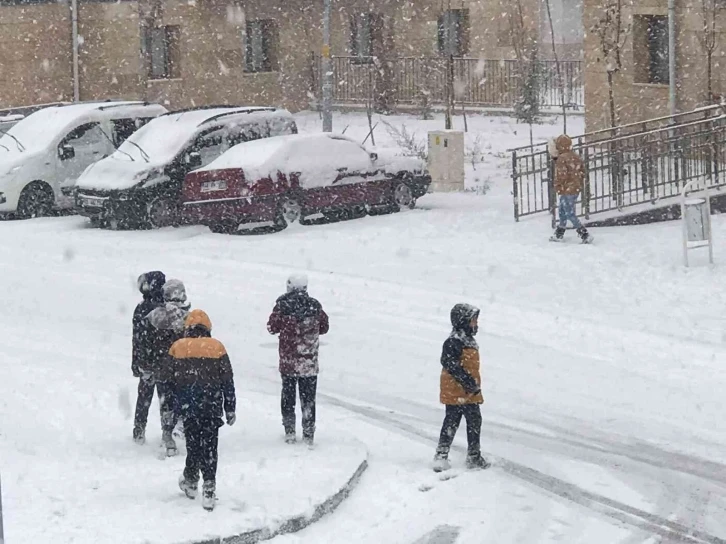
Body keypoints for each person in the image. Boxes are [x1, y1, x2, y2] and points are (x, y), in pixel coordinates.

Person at [164, 310, 236, 511]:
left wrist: (169, 407)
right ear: (208, 328)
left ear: (188, 328)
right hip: (211, 407)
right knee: (210, 447)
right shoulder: (217, 347)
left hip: (188, 407)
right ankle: (209, 488)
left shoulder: (177, 347)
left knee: (194, 445)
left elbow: (167, 381)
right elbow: (227, 381)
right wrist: (230, 408)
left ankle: (191, 479)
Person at [267, 274, 329, 446]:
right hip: (309, 362)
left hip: (289, 362)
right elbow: (325, 327)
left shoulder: (282, 306)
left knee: (288, 397)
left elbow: (271, 327)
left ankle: (290, 431)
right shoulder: (315, 306)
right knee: (308, 399)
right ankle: (308, 433)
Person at [433, 303, 489, 472]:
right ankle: (466, 456)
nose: (476, 324)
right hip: (458, 390)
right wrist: (468, 382)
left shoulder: (469, 342)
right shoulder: (454, 341)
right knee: (458, 421)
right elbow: (450, 364)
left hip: (465, 390)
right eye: (473, 320)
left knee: (466, 421)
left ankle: (448, 455)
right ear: (463, 322)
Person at [147, 279, 191, 456]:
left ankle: (167, 435)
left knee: (165, 402)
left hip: (161, 367)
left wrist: (147, 365)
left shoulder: (154, 316)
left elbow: (147, 343)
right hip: (181, 367)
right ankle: (181, 430)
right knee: (183, 399)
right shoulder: (187, 317)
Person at [132, 270, 166, 445]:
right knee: (165, 399)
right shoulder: (167, 308)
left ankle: (139, 431)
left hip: (147, 361)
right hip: (164, 362)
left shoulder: (141, 308)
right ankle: (168, 432)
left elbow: (136, 338)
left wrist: (135, 361)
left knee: (144, 398)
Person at [549, 134, 592, 244]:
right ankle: (559, 233)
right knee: (563, 210)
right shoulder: (575, 156)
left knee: (568, 212)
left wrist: (558, 186)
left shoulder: (561, 159)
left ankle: (584, 234)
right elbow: (583, 171)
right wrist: (577, 181)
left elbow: (561, 175)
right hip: (575, 188)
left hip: (566, 189)